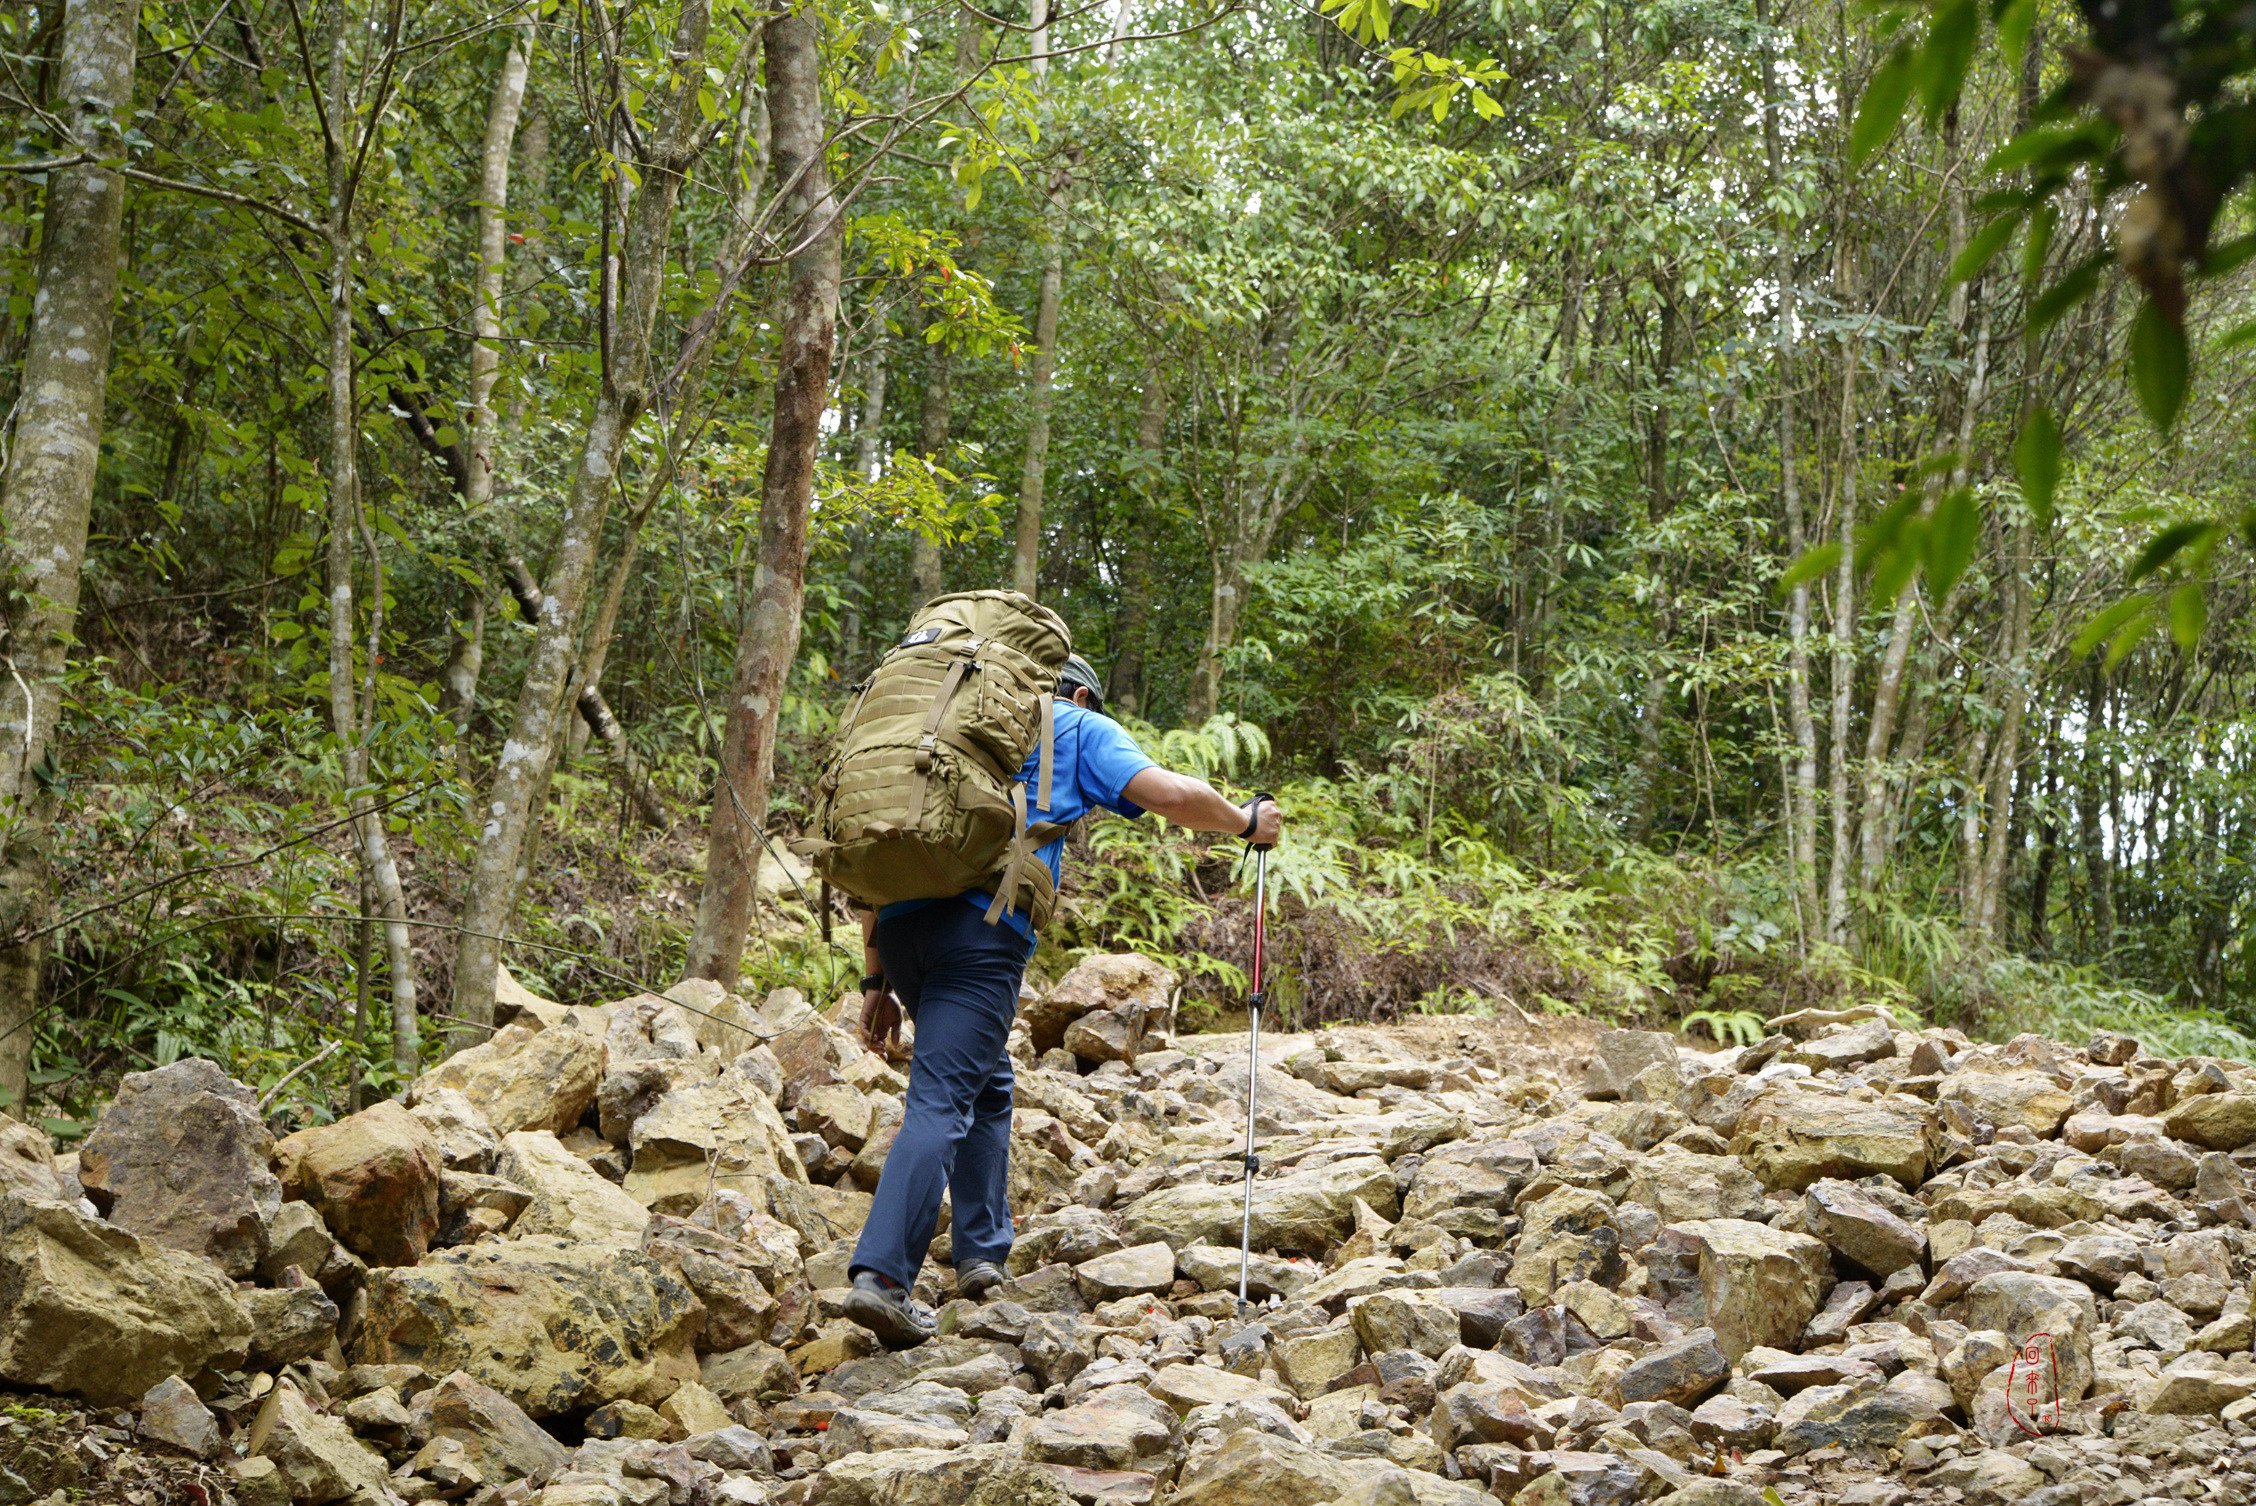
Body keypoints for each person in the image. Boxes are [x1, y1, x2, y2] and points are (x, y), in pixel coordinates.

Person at [842, 651, 1285, 1348]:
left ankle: (982, 1254)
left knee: (987, 1079)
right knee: (943, 1098)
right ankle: (883, 1278)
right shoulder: (1072, 721)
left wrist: (875, 980)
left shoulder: (940, 732)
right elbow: (1166, 794)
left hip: (900, 933)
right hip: (980, 937)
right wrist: (1244, 821)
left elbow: (877, 855)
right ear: (1079, 691)